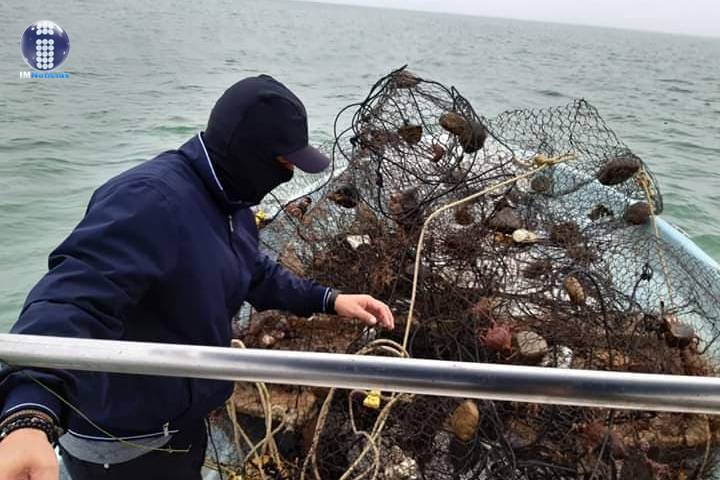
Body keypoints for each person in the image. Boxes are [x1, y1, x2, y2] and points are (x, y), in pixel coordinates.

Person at [0, 75, 394, 480]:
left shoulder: (231, 201)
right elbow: (72, 298)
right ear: (249, 153)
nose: (291, 172)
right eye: (284, 162)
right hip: (124, 443)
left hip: (180, 419)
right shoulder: (149, 200)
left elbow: (253, 270)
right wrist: (29, 412)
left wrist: (329, 299)